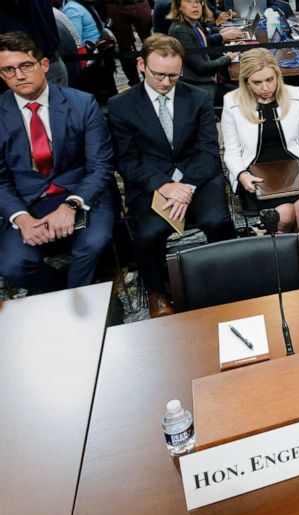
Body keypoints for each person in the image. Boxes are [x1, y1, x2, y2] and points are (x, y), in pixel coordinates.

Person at [108, 34, 235, 316]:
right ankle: (157, 291)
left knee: (218, 221)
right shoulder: (121, 105)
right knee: (149, 234)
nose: (165, 83)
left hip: (197, 178)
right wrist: (165, 185)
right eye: (159, 75)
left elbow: (207, 149)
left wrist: (186, 186)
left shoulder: (198, 98)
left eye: (173, 76)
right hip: (151, 183)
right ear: (141, 65)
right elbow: (127, 160)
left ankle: (226, 280)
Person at [0, 32, 114, 294]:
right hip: (27, 201)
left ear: (43, 65)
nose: (19, 75)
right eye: (8, 69)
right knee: (13, 265)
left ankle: (79, 307)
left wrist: (71, 204)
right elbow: (0, 180)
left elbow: (100, 166)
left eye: (25, 65)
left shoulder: (82, 103)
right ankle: (65, 296)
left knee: (94, 243)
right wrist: (21, 218)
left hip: (81, 192)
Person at [222, 49, 299, 235]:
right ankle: (288, 249)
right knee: (284, 217)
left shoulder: (296, 94)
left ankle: (294, 246)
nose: (265, 88)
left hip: (293, 163)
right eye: (257, 83)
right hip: (255, 168)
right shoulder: (232, 102)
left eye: (270, 80)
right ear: (246, 82)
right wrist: (241, 174)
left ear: (277, 75)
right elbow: (231, 150)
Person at [167, 0, 239, 105]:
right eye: (189, 2)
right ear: (178, 6)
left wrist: (226, 49)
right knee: (245, 93)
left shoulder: (194, 24)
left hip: (207, 80)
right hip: (198, 88)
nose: (195, 5)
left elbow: (205, 47)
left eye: (198, 1)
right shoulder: (180, 30)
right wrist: (227, 57)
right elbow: (201, 67)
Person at [105, 0, 153, 86]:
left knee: (152, 43)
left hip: (139, 3)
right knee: (124, 47)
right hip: (115, 5)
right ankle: (134, 82)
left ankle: (154, 75)